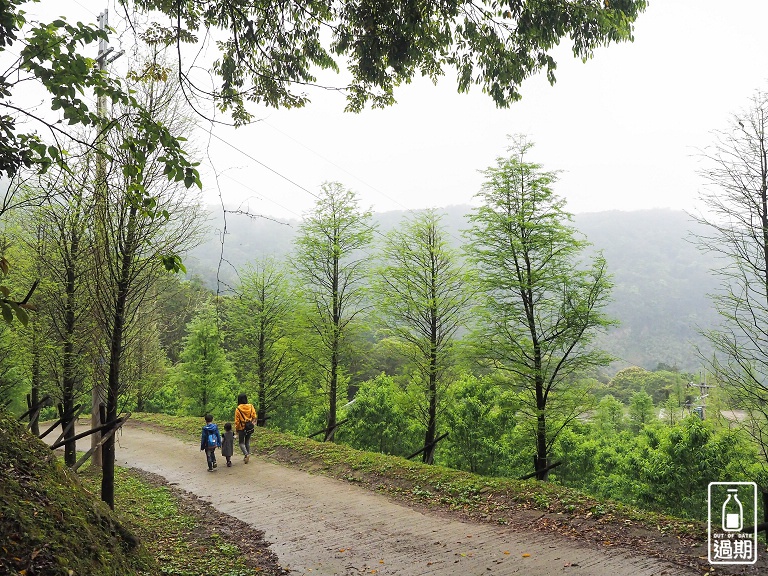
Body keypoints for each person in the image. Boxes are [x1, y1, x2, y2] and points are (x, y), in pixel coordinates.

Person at [235, 393, 257, 463]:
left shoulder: (238, 409)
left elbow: (237, 422)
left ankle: (246, 454)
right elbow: (254, 416)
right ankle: (247, 456)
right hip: (249, 427)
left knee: (241, 443)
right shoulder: (251, 406)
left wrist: (237, 430)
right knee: (247, 441)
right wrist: (252, 423)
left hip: (242, 428)